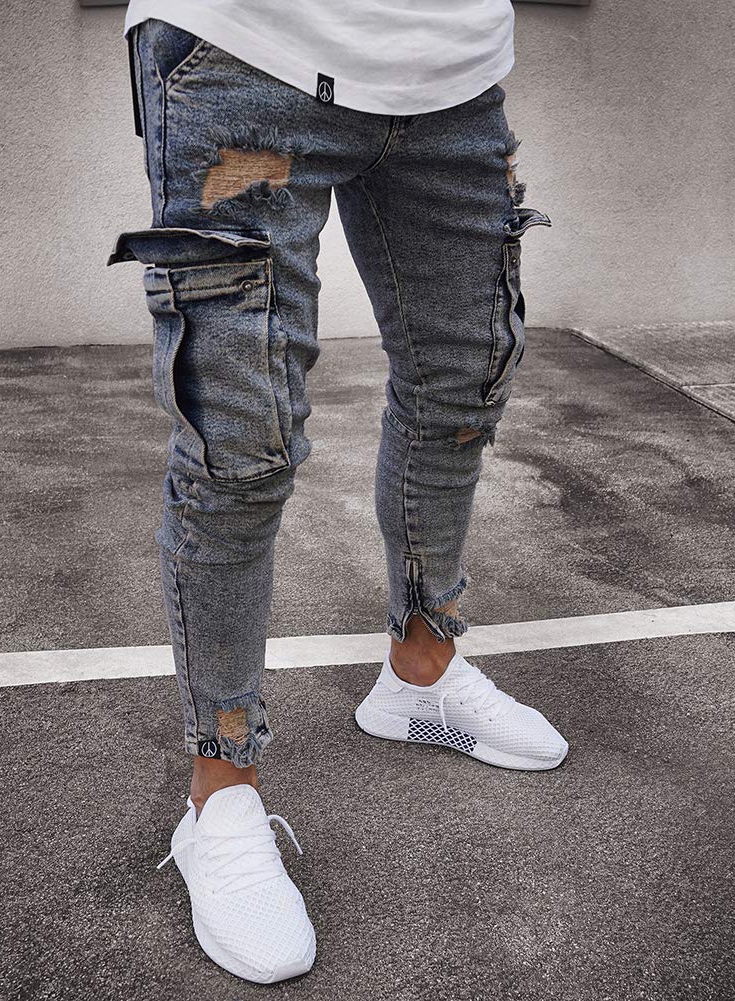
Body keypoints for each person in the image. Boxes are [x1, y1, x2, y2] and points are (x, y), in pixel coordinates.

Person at [108, 0, 568, 984]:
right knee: (241, 441)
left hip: (451, 72)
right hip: (248, 50)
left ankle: (419, 676)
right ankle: (219, 796)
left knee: (463, 386)